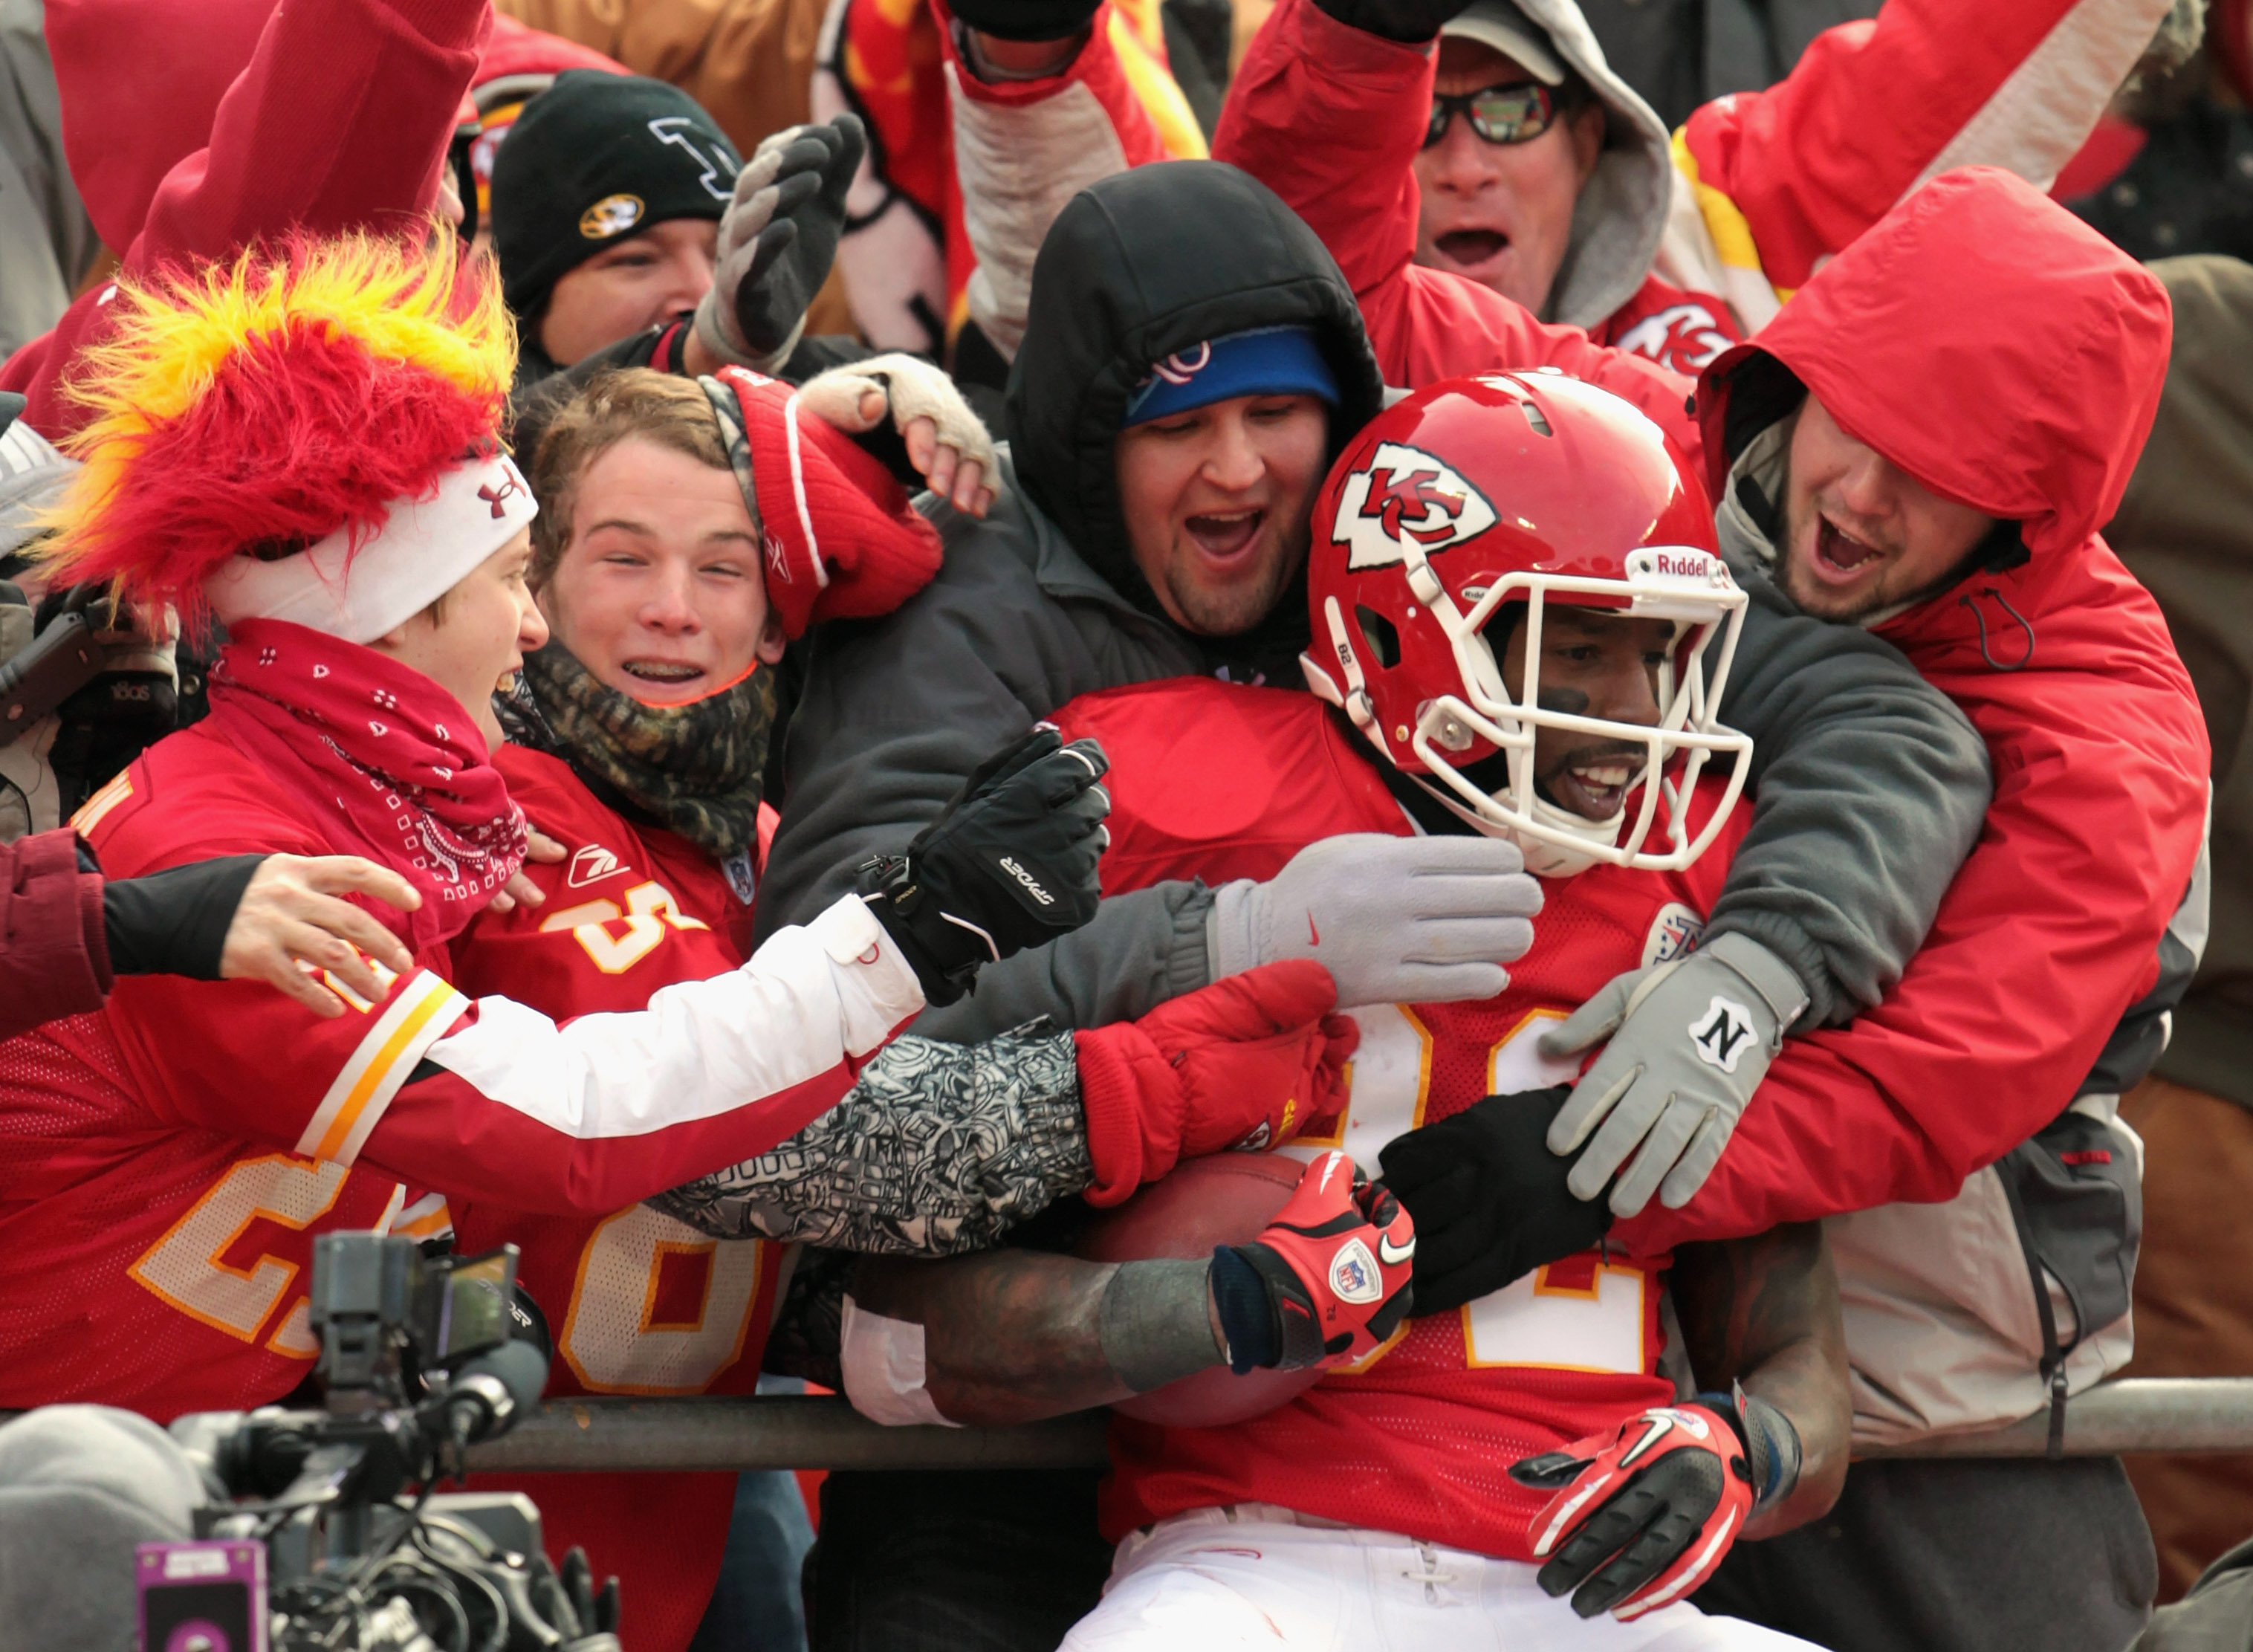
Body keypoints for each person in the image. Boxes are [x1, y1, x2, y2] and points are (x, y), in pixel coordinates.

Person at [761, 160, 1990, 1652]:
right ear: (1403, 616)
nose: (1624, 716)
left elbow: (1896, 736)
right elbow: (845, 1056)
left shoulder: (1680, 845)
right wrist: (1217, 951)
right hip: (1238, 1545)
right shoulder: (1128, 758)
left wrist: (1762, 970)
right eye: (1181, 424)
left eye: (1274, 417)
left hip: (1576, 1573)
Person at [0, 227, 1111, 1422]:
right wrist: (905, 936)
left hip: (165, 1476)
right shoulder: (230, 844)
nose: (533, 629)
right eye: (511, 580)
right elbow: (572, 1117)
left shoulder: (374, 814)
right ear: (389, 616)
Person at [431, 360, 1354, 1652]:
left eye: (721, 567)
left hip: (647, 1533)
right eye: (621, 558)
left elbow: (822, 1270)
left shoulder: (754, 847)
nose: (671, 612)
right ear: (532, 589)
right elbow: (760, 1141)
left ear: (775, 618)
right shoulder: (492, 817)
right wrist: (1179, 1063)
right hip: (437, 1526)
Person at [0, 0, 484, 440]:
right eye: (419, 165)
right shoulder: (244, 329)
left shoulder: (49, 389)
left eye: (452, 162)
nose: (456, 210)